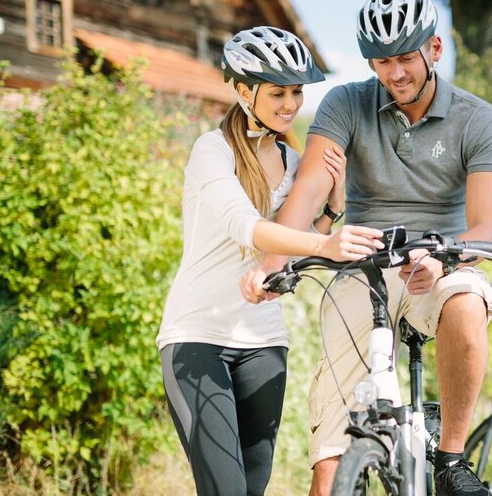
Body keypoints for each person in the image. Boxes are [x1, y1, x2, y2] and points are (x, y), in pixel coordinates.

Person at [242, 0, 492, 496]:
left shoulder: (478, 119)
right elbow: (309, 188)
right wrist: (271, 263)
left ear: (434, 49)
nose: (396, 74)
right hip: (363, 267)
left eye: (406, 58)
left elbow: (485, 226)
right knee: (330, 461)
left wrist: (445, 260)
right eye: (383, 62)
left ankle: (451, 460)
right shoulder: (347, 103)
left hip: (442, 263)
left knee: (467, 305)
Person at [157, 26, 383, 496]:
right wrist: (326, 245)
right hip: (197, 337)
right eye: (277, 92)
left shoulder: (294, 162)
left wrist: (332, 211)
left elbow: (285, 252)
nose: (290, 104)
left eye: (297, 92)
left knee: (253, 487)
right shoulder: (212, 151)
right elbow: (247, 227)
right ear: (244, 92)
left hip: (264, 343)